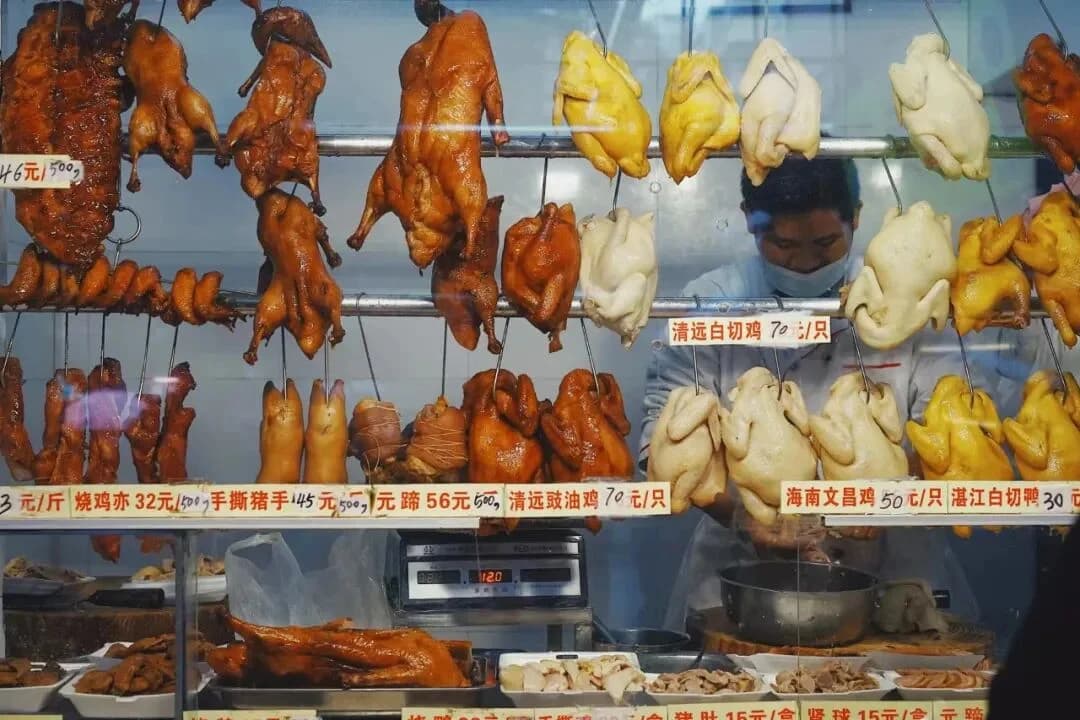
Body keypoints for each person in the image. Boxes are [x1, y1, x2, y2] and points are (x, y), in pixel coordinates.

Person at [640, 154, 1055, 632]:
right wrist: (743, 518)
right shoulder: (708, 304)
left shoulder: (907, 296)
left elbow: (955, 428)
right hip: (739, 574)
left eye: (824, 243)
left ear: (856, 218)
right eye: (781, 244)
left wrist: (888, 500)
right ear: (749, 223)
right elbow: (661, 440)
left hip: (896, 565)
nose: (803, 262)